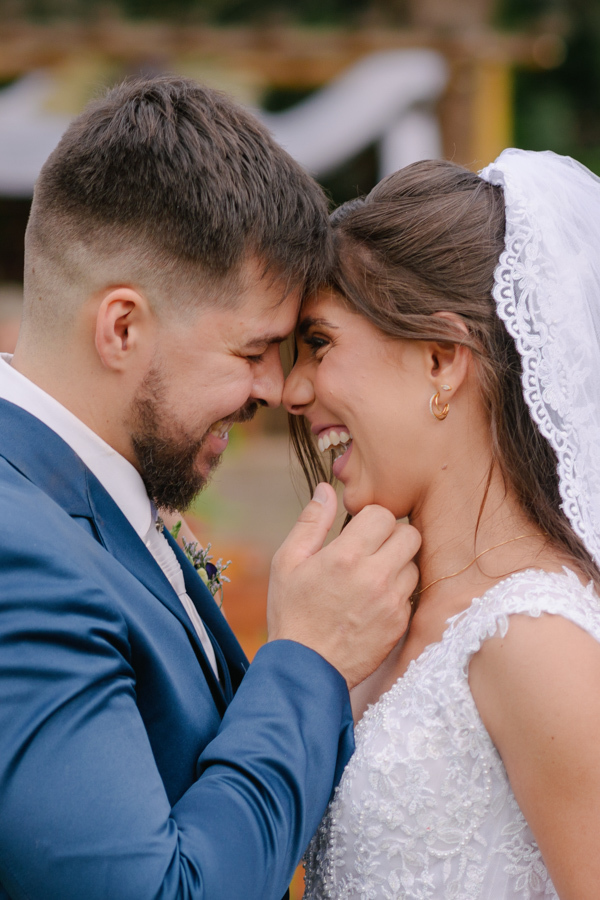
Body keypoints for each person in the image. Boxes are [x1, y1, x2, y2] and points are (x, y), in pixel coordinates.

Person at [0, 76, 421, 900]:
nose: (278, 390)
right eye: (252, 350)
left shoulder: (84, 500)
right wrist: (309, 662)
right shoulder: (19, 556)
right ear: (122, 327)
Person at [283, 150, 600, 898]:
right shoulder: (380, 613)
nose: (294, 390)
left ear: (440, 360)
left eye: (320, 343)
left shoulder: (536, 641)